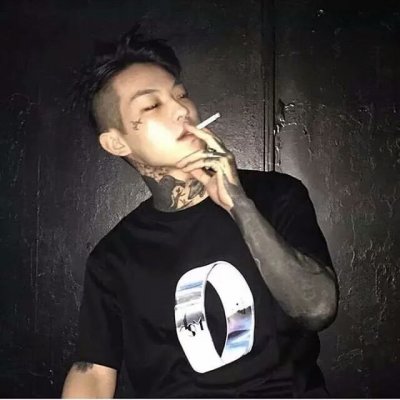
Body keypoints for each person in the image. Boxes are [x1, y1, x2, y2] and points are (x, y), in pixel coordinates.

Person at [62, 25, 339, 398]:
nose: (182, 109)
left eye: (181, 94)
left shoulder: (275, 195)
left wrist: (239, 205)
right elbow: (93, 373)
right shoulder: (114, 257)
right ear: (116, 142)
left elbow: (318, 309)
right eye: (152, 105)